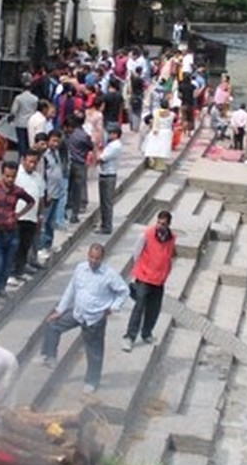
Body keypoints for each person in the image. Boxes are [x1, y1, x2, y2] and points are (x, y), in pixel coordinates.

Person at [41, 243, 128, 393]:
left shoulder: (109, 274)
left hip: (95, 317)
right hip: (78, 312)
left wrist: (113, 307)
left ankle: (92, 381)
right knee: (52, 324)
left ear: (102, 258)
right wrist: (60, 310)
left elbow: (123, 291)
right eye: (91, 257)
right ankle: (50, 356)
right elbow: (71, 289)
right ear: (88, 256)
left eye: (97, 258)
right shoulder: (81, 268)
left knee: (94, 351)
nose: (93, 261)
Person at [122, 211, 177, 351]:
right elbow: (136, 252)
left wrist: (165, 272)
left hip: (159, 279)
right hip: (144, 277)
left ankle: (146, 333)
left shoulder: (172, 238)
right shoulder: (146, 234)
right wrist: (140, 268)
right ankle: (129, 337)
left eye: (163, 224)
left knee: (154, 308)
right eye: (158, 222)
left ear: (169, 224)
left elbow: (169, 255)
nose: (160, 226)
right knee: (139, 307)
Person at [0, 160, 35, 300]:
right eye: (7, 176)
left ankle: (1, 288)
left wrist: (18, 215)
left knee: (7, 263)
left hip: (12, 231)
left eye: (13, 177)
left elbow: (31, 201)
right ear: (2, 174)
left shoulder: (17, 190)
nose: (10, 179)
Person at [9, 149, 45, 285]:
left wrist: (40, 215)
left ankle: (20, 271)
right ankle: (11, 273)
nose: (32, 165)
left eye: (35, 162)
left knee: (25, 246)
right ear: (23, 160)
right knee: (15, 246)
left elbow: (41, 198)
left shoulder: (38, 177)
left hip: (32, 217)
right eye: (30, 162)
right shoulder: (16, 176)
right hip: (18, 217)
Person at [65, 114, 94, 223]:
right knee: (77, 190)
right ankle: (74, 214)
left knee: (68, 188)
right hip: (79, 163)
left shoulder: (68, 135)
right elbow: (90, 146)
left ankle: (66, 209)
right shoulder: (84, 136)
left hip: (69, 163)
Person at [96, 125, 122, 234]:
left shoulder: (115, 146)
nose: (109, 135)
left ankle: (107, 226)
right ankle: (104, 223)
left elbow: (101, 158)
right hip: (105, 174)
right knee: (103, 201)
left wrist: (97, 150)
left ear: (116, 134)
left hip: (109, 175)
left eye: (111, 133)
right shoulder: (111, 145)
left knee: (106, 202)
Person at [8, 75, 39, 154]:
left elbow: (13, 111)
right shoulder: (35, 98)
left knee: (21, 142)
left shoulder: (18, 98)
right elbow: (36, 110)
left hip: (20, 123)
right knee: (29, 141)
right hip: (31, 123)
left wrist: (10, 119)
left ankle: (22, 157)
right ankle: (29, 156)